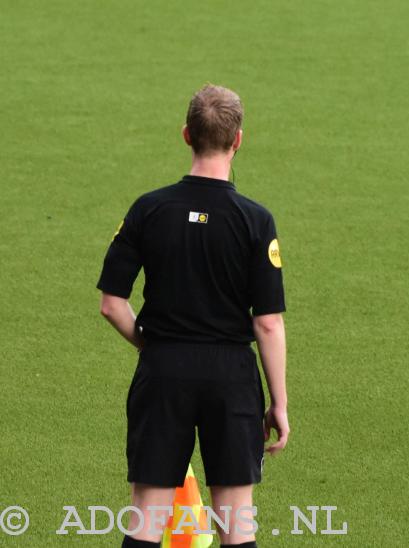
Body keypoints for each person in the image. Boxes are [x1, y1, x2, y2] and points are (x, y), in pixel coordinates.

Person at [97, 84, 289, 547]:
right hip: (231, 376)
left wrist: (153, 345)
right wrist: (279, 402)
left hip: (163, 371)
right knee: (236, 523)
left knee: (147, 514)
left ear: (186, 135)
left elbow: (112, 303)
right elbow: (267, 322)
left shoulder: (149, 209)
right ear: (238, 140)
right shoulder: (255, 220)